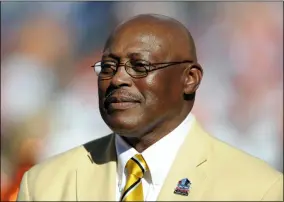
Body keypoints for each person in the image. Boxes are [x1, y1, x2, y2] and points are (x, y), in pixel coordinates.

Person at [17, 14, 283, 201]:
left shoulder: (256, 189)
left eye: (140, 66)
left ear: (190, 79)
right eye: (108, 67)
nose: (118, 78)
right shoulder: (44, 185)